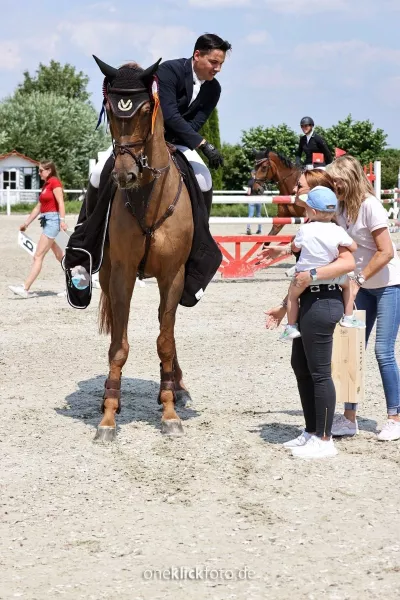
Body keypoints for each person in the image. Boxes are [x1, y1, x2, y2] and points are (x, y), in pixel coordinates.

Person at [83, 33, 231, 220]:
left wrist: (179, 143)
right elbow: (169, 114)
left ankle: (202, 238)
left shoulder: (214, 89)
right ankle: (86, 233)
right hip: (142, 140)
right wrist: (203, 144)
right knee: (97, 174)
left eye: (221, 64)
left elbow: (196, 123)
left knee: (204, 179)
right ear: (197, 55)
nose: (217, 68)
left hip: (179, 143)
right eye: (213, 62)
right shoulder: (170, 70)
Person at [326, 155, 400, 442]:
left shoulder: (371, 207)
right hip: (360, 288)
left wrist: (357, 279)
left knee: (383, 351)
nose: (335, 186)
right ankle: (348, 418)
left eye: (338, 181)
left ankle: (394, 417)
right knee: (350, 352)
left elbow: (386, 252)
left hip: (388, 286)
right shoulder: (340, 207)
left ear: (352, 179)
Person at [281, 186, 362, 342]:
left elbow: (295, 247)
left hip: (305, 277)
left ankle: (290, 327)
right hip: (333, 277)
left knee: (292, 296)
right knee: (349, 285)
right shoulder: (337, 230)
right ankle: (349, 316)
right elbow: (353, 247)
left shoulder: (305, 230)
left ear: (314, 212)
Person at [8, 161, 67, 298]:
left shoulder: (54, 182)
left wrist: (62, 222)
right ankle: (73, 285)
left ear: (49, 170)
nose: (39, 173)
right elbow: (38, 207)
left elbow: (61, 202)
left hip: (53, 222)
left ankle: (25, 288)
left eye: (41, 171)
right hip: (48, 222)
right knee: (61, 256)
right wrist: (26, 223)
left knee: (38, 256)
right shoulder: (46, 185)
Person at [246, 170, 262, 235]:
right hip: (258, 199)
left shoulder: (250, 181)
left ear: (252, 174)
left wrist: (246, 193)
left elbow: (249, 192)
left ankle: (248, 228)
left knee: (250, 215)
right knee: (258, 215)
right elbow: (261, 191)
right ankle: (259, 229)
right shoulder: (259, 182)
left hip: (252, 199)